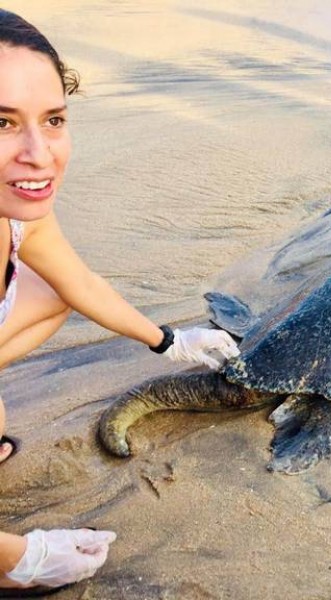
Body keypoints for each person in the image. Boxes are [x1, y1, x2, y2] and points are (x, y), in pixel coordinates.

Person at [0, 9, 240, 591]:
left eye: (53, 118)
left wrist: (169, 341)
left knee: (52, 290)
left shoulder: (18, 213)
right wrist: (19, 558)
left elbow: (79, 283)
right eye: (1, 122)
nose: (39, 152)